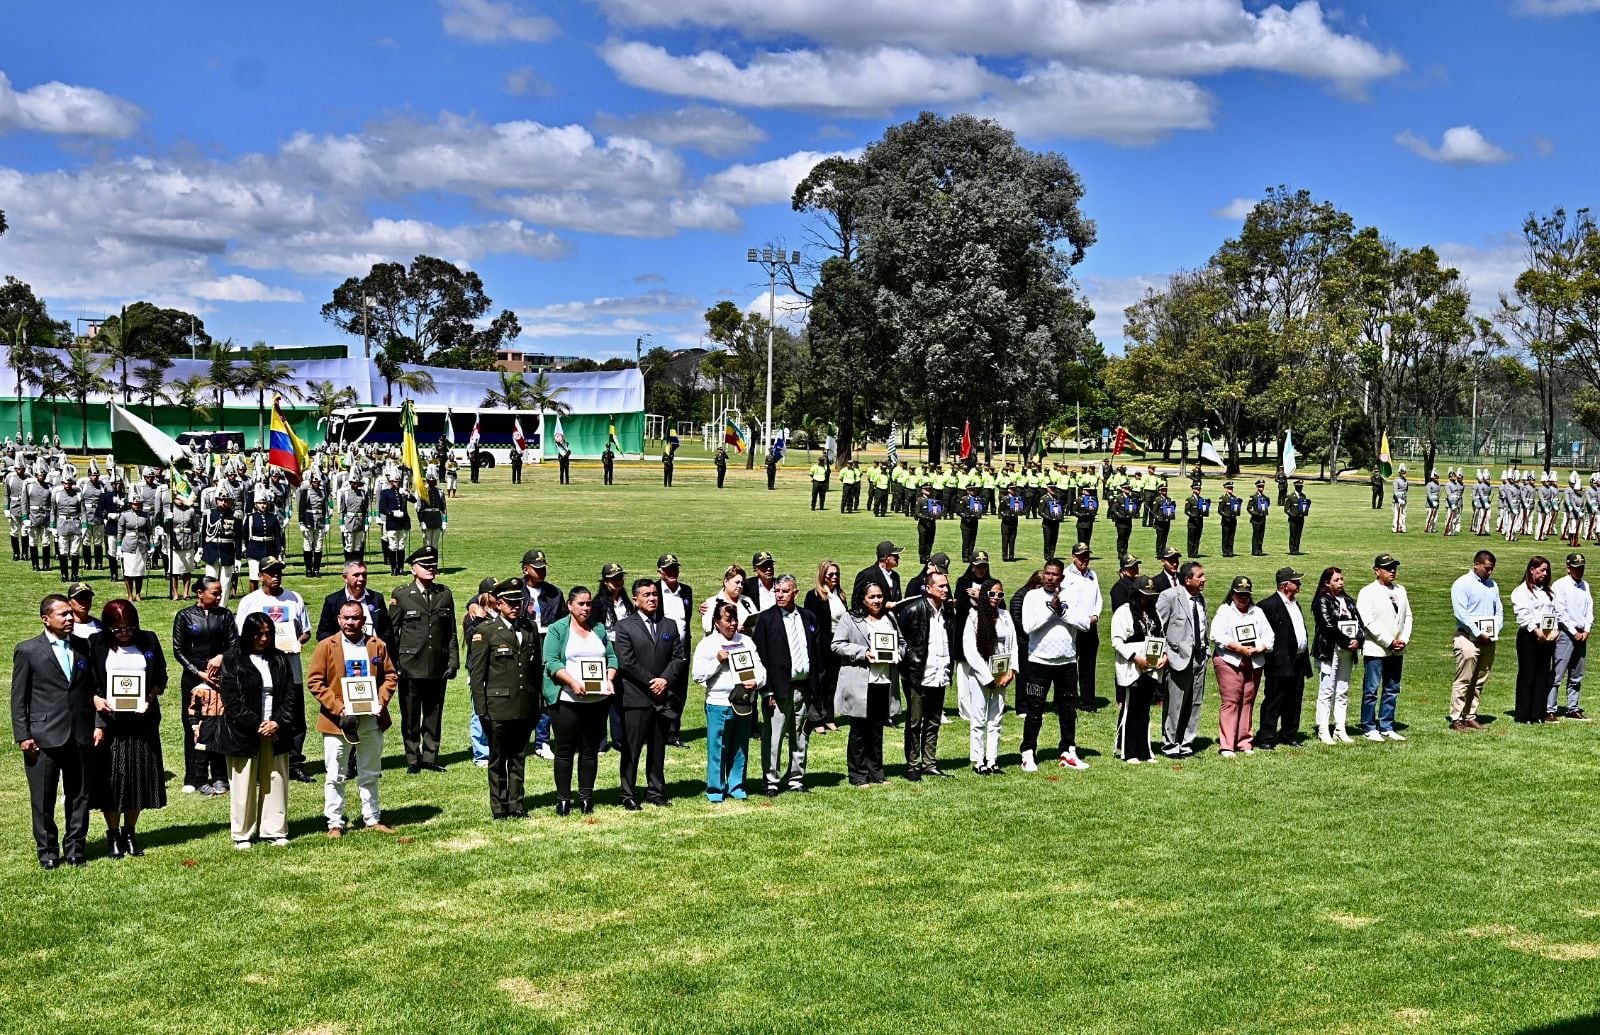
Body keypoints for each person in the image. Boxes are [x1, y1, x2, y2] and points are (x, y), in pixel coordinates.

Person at [12, 595, 98, 868]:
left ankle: (75, 849)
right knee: (43, 799)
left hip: (80, 734)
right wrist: (23, 735)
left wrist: (98, 725)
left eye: (71, 613)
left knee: (80, 795)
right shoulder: (28, 650)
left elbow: (93, 690)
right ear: (46, 619)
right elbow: (18, 698)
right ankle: (48, 852)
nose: (70, 618)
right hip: (43, 737)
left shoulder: (84, 646)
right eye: (63, 614)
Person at [306, 599, 399, 837]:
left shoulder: (377, 645)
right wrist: (339, 708)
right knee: (335, 774)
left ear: (363, 620)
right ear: (338, 620)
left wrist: (380, 701)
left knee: (370, 771)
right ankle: (334, 823)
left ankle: (372, 818)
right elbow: (315, 682)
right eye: (346, 618)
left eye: (355, 618)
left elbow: (390, 676)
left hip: (370, 719)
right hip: (337, 722)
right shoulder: (326, 646)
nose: (350, 622)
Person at [87, 599, 169, 859]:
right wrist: (95, 699)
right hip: (110, 723)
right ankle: (113, 834)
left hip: (142, 723)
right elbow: (86, 681)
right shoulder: (96, 643)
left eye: (129, 627)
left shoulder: (149, 640)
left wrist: (149, 698)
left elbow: (161, 677)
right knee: (111, 780)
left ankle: (130, 833)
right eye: (117, 629)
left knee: (138, 778)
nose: (124, 633)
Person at [216, 613, 295, 850]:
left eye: (268, 634)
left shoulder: (279, 658)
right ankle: (242, 833)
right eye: (258, 634)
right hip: (243, 731)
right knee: (243, 783)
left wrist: (276, 722)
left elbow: (290, 695)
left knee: (276, 779)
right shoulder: (233, 659)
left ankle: (274, 829)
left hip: (275, 730)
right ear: (248, 634)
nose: (263, 639)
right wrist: (257, 724)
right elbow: (231, 700)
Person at [234, 557, 313, 783]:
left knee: (295, 718)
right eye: (270, 572)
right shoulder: (250, 601)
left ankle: (294, 763)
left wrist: (297, 641)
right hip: (263, 670)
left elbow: (306, 631)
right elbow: (241, 635)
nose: (276, 576)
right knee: (263, 714)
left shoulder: (294, 598)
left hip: (290, 668)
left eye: (278, 571)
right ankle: (260, 763)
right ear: (260, 576)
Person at [467, 578, 539, 819]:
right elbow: (477, 675)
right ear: (498, 604)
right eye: (510, 603)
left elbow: (535, 669)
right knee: (498, 759)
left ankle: (516, 803)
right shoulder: (486, 631)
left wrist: (537, 702)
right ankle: (499, 806)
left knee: (518, 757)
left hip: (524, 704)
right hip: (497, 705)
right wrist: (481, 709)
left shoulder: (529, 628)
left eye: (519, 602)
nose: (515, 607)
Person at [542, 586, 617, 813]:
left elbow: (612, 658)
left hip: (596, 701)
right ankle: (563, 799)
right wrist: (573, 683)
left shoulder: (598, 628)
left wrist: (609, 679)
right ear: (570, 605)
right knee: (564, 750)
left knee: (590, 751)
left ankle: (586, 798)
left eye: (588, 604)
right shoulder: (557, 629)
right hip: (567, 700)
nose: (586, 608)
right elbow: (552, 661)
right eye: (581, 604)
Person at [611, 578, 685, 808]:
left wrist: (664, 680)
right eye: (646, 595)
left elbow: (678, 657)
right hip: (636, 697)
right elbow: (626, 662)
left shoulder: (669, 625)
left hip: (662, 697)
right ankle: (628, 793)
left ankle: (655, 791)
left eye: (654, 594)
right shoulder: (624, 626)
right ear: (636, 600)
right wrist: (652, 681)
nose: (652, 598)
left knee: (658, 747)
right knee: (632, 748)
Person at [388, 547, 459, 774]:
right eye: (425, 565)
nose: (430, 568)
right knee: (410, 715)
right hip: (410, 665)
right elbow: (393, 632)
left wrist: (453, 662)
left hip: (437, 663)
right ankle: (412, 758)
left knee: (433, 713)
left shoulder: (444, 594)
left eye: (433, 565)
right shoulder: (402, 595)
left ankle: (430, 756)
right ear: (413, 569)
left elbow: (451, 632)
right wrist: (395, 664)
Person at [751, 574, 823, 795]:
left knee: (800, 736)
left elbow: (817, 653)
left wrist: (816, 687)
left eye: (784, 591)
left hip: (804, 688)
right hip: (778, 689)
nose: (780, 595)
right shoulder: (766, 619)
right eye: (777, 591)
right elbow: (760, 657)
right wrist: (767, 692)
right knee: (773, 738)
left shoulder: (808, 617)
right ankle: (771, 781)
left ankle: (796, 779)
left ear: (795, 593)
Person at [1019, 558, 1091, 772]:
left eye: (1054, 575)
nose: (1050, 578)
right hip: (1038, 662)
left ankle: (1068, 750)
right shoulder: (1032, 596)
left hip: (1066, 662)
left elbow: (1085, 624)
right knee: (1035, 710)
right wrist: (1051, 609)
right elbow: (1028, 626)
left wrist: (1063, 612)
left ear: (1062, 577)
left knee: (1068, 710)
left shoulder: (1072, 595)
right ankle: (1028, 751)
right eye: (1047, 574)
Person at [692, 599, 765, 802]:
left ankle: (737, 786)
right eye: (727, 620)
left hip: (743, 702)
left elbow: (760, 669)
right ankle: (716, 789)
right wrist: (717, 661)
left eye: (735, 620)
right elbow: (697, 675)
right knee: (718, 748)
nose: (732, 624)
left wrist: (756, 682)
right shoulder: (707, 644)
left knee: (740, 746)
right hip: (719, 703)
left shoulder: (746, 641)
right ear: (716, 622)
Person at [172, 576, 236, 796]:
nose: (219, 597)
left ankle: (219, 776)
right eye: (215, 593)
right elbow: (178, 650)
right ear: (200, 593)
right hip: (194, 677)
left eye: (220, 593)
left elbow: (234, 645)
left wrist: (221, 657)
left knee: (218, 722)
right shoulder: (185, 616)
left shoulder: (225, 615)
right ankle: (193, 777)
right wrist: (198, 672)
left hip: (219, 677)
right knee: (193, 724)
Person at [832, 583, 899, 786]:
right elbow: (837, 645)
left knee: (877, 729)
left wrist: (898, 654)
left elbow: (902, 643)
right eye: (872, 597)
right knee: (859, 730)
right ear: (863, 599)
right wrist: (863, 653)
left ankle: (876, 772)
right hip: (860, 682)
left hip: (884, 681)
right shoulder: (850, 618)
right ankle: (858, 775)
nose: (877, 600)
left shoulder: (890, 618)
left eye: (880, 596)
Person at [894, 568, 957, 781]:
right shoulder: (913, 610)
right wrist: (910, 659)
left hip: (940, 673)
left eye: (946, 585)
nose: (946, 589)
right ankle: (913, 764)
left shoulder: (948, 611)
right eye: (941, 586)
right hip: (918, 675)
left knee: (933, 721)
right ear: (928, 588)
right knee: (915, 722)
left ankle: (929, 763)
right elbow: (899, 638)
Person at [1209, 576, 1273, 757]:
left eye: (1246, 595)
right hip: (1229, 661)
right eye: (1239, 594)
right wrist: (1238, 648)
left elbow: (1269, 636)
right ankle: (1227, 745)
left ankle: (1244, 742)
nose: (1242, 598)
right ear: (1232, 594)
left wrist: (1260, 648)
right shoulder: (1224, 611)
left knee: (1247, 701)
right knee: (1231, 701)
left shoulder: (1257, 612)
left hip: (1254, 661)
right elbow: (1217, 635)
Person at [959, 579, 1018, 773]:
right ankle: (978, 761)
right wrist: (987, 677)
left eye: (1000, 595)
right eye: (992, 594)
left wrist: (1012, 670)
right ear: (984, 594)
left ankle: (992, 760)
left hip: (1002, 672)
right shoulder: (974, 617)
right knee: (979, 718)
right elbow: (970, 650)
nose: (996, 598)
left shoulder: (1005, 616)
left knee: (996, 718)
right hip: (981, 674)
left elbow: (1013, 645)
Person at [1355, 553, 1412, 742]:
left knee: (1392, 688)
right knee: (1371, 690)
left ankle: (1386, 725)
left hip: (1397, 649)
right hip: (1376, 649)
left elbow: (1408, 617)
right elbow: (1368, 622)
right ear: (1377, 571)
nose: (1392, 571)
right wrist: (1389, 641)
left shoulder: (1401, 590)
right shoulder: (1367, 592)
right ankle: (1369, 726)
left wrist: (1403, 639)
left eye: (1394, 567)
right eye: (1388, 568)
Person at [519, 549, 568, 760]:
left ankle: (543, 741)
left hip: (547, 644)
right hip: (522, 645)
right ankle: (520, 740)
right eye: (537, 568)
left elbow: (564, 619)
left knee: (547, 695)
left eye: (543, 568)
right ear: (525, 569)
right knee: (523, 695)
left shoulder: (554, 593)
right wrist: (473, 604)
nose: (542, 572)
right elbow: (485, 596)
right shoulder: (515, 589)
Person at [1156, 561, 1209, 757]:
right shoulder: (1169, 596)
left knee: (1194, 704)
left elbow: (1202, 627)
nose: (1204, 579)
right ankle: (1170, 744)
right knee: (1175, 704)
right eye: (1200, 576)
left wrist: (1206, 651)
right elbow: (1158, 628)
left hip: (1200, 658)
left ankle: (1186, 743)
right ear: (1187, 579)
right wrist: (1165, 654)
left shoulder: (1201, 600)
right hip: (1178, 659)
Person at [1111, 576, 1165, 763]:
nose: (1147, 599)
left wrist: (1164, 657)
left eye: (1151, 596)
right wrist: (1135, 657)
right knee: (1131, 708)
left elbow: (1161, 636)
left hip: (1151, 667)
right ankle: (1129, 751)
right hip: (1132, 668)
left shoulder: (1154, 612)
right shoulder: (1123, 612)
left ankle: (1144, 751)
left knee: (1144, 709)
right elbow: (1117, 641)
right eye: (1144, 595)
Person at [1257, 566, 1311, 749]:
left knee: (1295, 699)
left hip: (1298, 660)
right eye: (1296, 582)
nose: (1299, 584)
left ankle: (1289, 733)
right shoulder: (1268, 605)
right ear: (1284, 585)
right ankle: (1266, 736)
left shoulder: (1296, 604)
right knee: (1274, 699)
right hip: (1279, 662)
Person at [1310, 567, 1365, 744]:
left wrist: (1358, 640)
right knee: (1327, 690)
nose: (1341, 582)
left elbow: (1360, 624)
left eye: (1341, 579)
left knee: (1342, 689)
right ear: (1327, 583)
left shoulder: (1348, 600)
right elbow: (1327, 626)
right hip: (1329, 649)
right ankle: (1323, 729)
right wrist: (1346, 641)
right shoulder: (1322, 600)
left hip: (1348, 651)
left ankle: (1340, 728)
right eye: (1336, 580)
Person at [1449, 550, 1501, 732]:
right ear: (1476, 564)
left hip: (1488, 639)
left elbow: (1499, 611)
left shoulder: (1492, 585)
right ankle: (1456, 718)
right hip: (1468, 638)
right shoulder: (1462, 584)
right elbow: (1461, 613)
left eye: (1492, 568)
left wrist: (1495, 630)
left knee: (1479, 679)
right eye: (1487, 568)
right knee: (1464, 679)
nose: (1490, 572)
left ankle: (1470, 715)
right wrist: (1478, 633)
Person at [1510, 555, 1561, 724]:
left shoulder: (1548, 592)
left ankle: (1538, 713)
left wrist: (1554, 631)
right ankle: (1523, 714)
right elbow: (1523, 615)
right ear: (1532, 570)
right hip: (1529, 635)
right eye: (1542, 570)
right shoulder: (1521, 591)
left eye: (1547, 571)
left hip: (1547, 634)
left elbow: (1554, 613)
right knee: (1528, 674)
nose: (1545, 574)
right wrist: (1537, 632)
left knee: (1542, 674)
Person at [654, 553, 695, 747]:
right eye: (668, 569)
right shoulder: (654, 590)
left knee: (680, 691)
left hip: (683, 647)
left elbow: (687, 619)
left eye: (675, 568)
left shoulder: (686, 591)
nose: (672, 572)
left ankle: (673, 732)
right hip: (661, 648)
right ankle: (657, 730)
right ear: (660, 571)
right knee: (662, 688)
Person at [314, 560, 395, 645]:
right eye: (356, 575)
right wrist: (338, 647)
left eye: (364, 575)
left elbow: (387, 629)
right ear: (345, 578)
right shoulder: (332, 601)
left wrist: (381, 645)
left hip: (373, 650)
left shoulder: (377, 598)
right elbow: (323, 633)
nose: (361, 579)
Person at [1551, 552, 1591, 721]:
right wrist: (1574, 632)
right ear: (1568, 568)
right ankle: (1550, 709)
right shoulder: (1560, 585)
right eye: (1576, 568)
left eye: (1581, 568)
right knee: (1557, 673)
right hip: (1566, 633)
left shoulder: (1585, 586)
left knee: (1577, 674)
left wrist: (1586, 630)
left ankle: (1572, 707)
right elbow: (1560, 612)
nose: (1579, 571)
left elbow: (1589, 609)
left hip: (1581, 633)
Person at [1063, 543, 1103, 712]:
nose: (1084, 559)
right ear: (1073, 557)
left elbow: (1098, 598)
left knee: (1088, 665)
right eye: (1081, 556)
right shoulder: (1066, 575)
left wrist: (1095, 615)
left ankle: (1088, 702)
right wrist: (1078, 619)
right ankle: (1069, 699)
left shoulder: (1092, 574)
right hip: (1073, 627)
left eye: (1086, 556)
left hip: (1090, 626)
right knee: (1070, 666)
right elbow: (1066, 602)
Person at [700, 563, 761, 634]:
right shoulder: (711, 603)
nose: (740, 586)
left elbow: (757, 624)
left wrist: (749, 630)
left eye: (742, 583)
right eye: (737, 582)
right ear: (726, 582)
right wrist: (735, 629)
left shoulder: (747, 601)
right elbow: (708, 629)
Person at [117, 497, 154, 601]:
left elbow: (149, 532)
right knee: (129, 572)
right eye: (134, 504)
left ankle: (138, 594)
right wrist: (118, 547)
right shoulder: (124, 515)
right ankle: (130, 595)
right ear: (130, 504)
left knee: (139, 571)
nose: (136, 506)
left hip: (141, 545)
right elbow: (120, 532)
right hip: (128, 545)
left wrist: (152, 545)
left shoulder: (145, 515)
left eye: (138, 504)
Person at [377, 474, 415, 577]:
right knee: (393, 545)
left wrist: (407, 494)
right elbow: (382, 508)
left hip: (403, 523)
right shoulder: (386, 493)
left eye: (399, 481)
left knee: (401, 545)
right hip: (392, 522)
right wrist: (392, 513)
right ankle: (394, 568)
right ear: (391, 482)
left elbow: (414, 500)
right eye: (395, 481)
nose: (397, 483)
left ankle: (401, 568)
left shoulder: (403, 492)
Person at [851, 540, 903, 611]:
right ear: (886, 558)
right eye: (895, 556)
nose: (898, 558)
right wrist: (884, 605)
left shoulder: (895, 576)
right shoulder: (867, 575)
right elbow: (856, 602)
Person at [338, 473, 370, 564]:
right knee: (349, 544)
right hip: (349, 521)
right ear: (350, 483)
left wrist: (367, 522)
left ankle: (357, 564)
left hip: (360, 521)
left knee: (358, 545)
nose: (355, 484)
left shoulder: (363, 493)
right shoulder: (345, 493)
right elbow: (342, 510)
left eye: (356, 483)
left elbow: (366, 509)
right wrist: (341, 523)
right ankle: (348, 563)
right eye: (353, 483)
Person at [915, 484, 943, 564]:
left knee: (930, 541)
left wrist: (938, 514)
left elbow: (938, 511)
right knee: (923, 541)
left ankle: (927, 556)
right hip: (923, 524)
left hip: (932, 524)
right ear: (922, 491)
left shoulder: (934, 501)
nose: (929, 491)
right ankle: (922, 557)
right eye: (926, 490)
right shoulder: (920, 500)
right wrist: (926, 518)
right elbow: (917, 513)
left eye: (930, 490)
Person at [959, 483, 984, 563]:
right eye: (971, 490)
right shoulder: (964, 499)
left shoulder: (978, 499)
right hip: (966, 524)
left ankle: (970, 555)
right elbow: (959, 511)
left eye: (974, 490)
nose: (973, 491)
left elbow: (980, 508)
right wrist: (966, 517)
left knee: (972, 541)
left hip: (974, 523)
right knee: (966, 541)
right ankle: (965, 556)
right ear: (967, 491)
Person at [1284, 479, 1311, 555]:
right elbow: (1286, 509)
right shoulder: (1290, 496)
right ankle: (1292, 549)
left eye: (1301, 487)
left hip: (1301, 518)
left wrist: (1307, 507)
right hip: (1293, 519)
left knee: (1299, 534)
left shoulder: (1303, 496)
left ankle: (1297, 548)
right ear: (1295, 487)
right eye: (1299, 487)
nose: (1300, 488)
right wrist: (1291, 515)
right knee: (1293, 534)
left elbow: (1304, 507)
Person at [999, 483, 1024, 562]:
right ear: (1008, 490)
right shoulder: (1004, 498)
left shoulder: (1017, 498)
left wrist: (1020, 511)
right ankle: (1004, 556)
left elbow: (1020, 509)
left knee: (1012, 539)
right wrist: (1006, 515)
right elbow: (1000, 510)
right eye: (1012, 489)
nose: (1014, 490)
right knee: (1005, 539)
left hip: (1014, 521)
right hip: (1006, 522)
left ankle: (1011, 556)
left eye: (1015, 489)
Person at [1217, 481, 1242, 558]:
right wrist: (1226, 516)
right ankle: (1225, 551)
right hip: (1226, 521)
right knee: (1225, 536)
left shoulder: (1235, 498)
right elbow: (1220, 510)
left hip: (1233, 520)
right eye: (1229, 488)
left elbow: (1236, 509)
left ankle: (1230, 551)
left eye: (1231, 488)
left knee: (1231, 536)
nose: (1231, 490)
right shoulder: (1223, 498)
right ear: (1226, 489)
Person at [1184, 483, 1209, 558]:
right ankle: (1190, 553)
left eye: (1199, 489)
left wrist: (1205, 512)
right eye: (1197, 489)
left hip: (1200, 522)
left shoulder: (1202, 499)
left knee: (1197, 538)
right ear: (1193, 489)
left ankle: (1195, 552)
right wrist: (1193, 515)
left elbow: (1204, 510)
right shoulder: (1189, 499)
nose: (1198, 490)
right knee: (1191, 538)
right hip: (1192, 522)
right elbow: (1187, 511)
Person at [1247, 479, 1271, 557]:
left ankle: (1259, 550)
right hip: (1256, 519)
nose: (1261, 488)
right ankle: (1255, 550)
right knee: (1256, 535)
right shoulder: (1254, 497)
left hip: (1263, 518)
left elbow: (1267, 505)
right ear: (1257, 487)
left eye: (1262, 486)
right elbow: (1249, 508)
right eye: (1260, 486)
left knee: (1261, 535)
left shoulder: (1265, 497)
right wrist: (1255, 514)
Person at [1392, 465, 1409, 533]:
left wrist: (1404, 498)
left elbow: (1406, 490)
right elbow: (1395, 491)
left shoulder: (1406, 481)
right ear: (1400, 473)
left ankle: (1403, 528)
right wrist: (1398, 499)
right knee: (1396, 514)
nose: (1404, 474)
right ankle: (1395, 528)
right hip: (1397, 499)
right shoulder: (1396, 480)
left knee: (1403, 514)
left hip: (1404, 498)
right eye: (1402, 473)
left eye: (1405, 472)